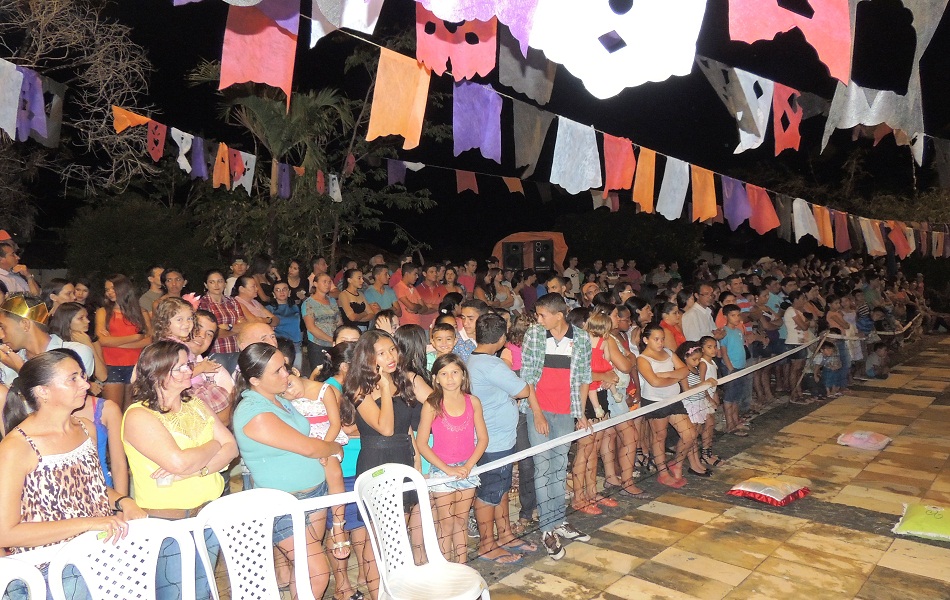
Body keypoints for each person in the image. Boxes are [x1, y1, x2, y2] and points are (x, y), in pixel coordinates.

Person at [0, 351, 146, 598]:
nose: (86, 385)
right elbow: (5, 532)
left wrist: (123, 501)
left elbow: (90, 489)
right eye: (73, 379)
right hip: (49, 570)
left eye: (82, 376)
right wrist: (89, 523)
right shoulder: (17, 448)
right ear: (43, 392)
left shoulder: (85, 429)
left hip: (97, 553)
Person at [122, 341, 238, 600]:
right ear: (158, 373)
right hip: (169, 522)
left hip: (207, 514)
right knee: (175, 594)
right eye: (182, 367)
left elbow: (231, 447)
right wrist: (213, 445)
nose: (190, 370)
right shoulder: (139, 416)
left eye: (188, 365)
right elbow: (179, 463)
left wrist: (198, 470)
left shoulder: (195, 403)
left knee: (203, 591)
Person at [233, 342, 342, 599]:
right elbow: (308, 448)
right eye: (277, 371)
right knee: (317, 573)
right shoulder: (255, 413)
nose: (287, 374)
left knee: (302, 574)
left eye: (284, 366)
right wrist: (334, 447)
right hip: (283, 503)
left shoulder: (279, 399)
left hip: (313, 494)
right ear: (255, 381)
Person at [342, 331, 429, 571]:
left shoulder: (401, 380)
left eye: (392, 350)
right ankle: (375, 585)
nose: (390, 357)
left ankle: (397, 578)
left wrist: (416, 461)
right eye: (381, 353)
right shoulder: (359, 389)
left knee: (399, 528)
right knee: (379, 533)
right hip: (377, 461)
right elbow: (386, 428)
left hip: (403, 457)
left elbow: (405, 426)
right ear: (368, 358)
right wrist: (384, 386)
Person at [520, 293, 592, 560]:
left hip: (565, 413)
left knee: (559, 468)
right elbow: (527, 377)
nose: (538, 320)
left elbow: (583, 377)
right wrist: (537, 414)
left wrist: (580, 414)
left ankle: (559, 520)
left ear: (559, 315)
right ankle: (547, 529)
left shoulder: (581, 338)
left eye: (542, 315)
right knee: (542, 468)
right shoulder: (534, 335)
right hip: (539, 410)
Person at [466, 313, 537, 563]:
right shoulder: (491, 365)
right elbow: (523, 390)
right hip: (492, 441)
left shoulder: (476, 360)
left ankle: (505, 535)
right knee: (489, 493)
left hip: (499, 438)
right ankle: (487, 544)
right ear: (501, 338)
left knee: (502, 489)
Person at [416, 354, 488, 563]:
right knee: (445, 523)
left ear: (463, 375)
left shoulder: (473, 402)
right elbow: (422, 443)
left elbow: (483, 439)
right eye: (444, 374)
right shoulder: (432, 404)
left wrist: (468, 466)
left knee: (461, 521)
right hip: (442, 472)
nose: (450, 378)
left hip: (467, 470)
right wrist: (447, 470)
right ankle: (443, 569)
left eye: (455, 372)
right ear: (436, 378)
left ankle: (462, 565)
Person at [283, 365, 351, 564]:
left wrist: (324, 447)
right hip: (301, 442)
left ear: (295, 372)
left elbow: (335, 423)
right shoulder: (283, 398)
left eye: (290, 384)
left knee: (334, 473)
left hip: (326, 437)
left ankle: (338, 525)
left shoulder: (325, 390)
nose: (291, 392)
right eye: (284, 391)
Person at [637, 324, 709, 489]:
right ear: (646, 340)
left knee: (690, 434)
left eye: (662, 339)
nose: (660, 342)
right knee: (659, 437)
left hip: (674, 399)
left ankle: (677, 463)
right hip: (655, 401)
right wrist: (675, 377)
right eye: (656, 339)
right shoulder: (642, 359)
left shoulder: (669, 352)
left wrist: (667, 375)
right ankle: (663, 472)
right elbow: (654, 382)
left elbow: (685, 371)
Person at [153, 298, 233, 424]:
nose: (186, 324)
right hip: (187, 392)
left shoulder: (179, 344)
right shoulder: (171, 347)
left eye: (189, 319)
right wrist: (201, 367)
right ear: (165, 322)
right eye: (180, 319)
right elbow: (174, 376)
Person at [0, 294, 96, 385]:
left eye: (3, 328)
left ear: (25, 324)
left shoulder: (76, 353)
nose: (1, 335)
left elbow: (63, 394)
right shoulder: (7, 363)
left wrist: (21, 369)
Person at [96, 275, 151, 409]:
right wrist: (135, 337)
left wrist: (114, 342)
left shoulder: (141, 312)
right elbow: (102, 340)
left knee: (131, 410)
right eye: (107, 289)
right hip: (111, 365)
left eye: (113, 288)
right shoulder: (103, 312)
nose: (109, 292)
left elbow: (150, 340)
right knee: (113, 410)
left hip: (136, 366)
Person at [676, 341, 721, 468]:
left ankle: (696, 461)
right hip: (691, 405)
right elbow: (686, 389)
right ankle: (686, 463)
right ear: (685, 357)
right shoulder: (684, 371)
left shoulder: (695, 369)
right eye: (694, 359)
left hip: (699, 403)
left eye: (699, 359)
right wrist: (703, 384)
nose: (697, 362)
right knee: (691, 436)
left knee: (695, 436)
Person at [47, 301, 108, 386]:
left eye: (86, 317)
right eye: (81, 318)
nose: (88, 321)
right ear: (67, 321)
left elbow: (103, 376)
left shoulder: (92, 340)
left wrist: (89, 345)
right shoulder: (54, 341)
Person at [197, 269, 245, 374]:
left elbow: (244, 325)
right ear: (206, 285)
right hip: (215, 351)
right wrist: (235, 328)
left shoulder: (232, 302)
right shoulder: (202, 303)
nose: (216, 285)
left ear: (225, 283)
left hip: (236, 349)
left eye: (220, 281)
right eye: (212, 282)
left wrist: (227, 327)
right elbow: (213, 333)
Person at [302, 273, 342, 374]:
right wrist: (331, 340)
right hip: (318, 345)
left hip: (334, 344)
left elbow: (339, 322)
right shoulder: (308, 303)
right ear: (315, 284)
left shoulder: (332, 301)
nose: (327, 284)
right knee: (319, 375)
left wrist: (340, 337)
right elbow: (311, 328)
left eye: (329, 282)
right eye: (324, 282)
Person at [720, 304, 752, 431]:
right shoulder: (724, 332)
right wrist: (730, 369)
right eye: (733, 315)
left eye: (738, 315)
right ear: (725, 317)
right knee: (729, 396)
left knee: (737, 396)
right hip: (731, 368)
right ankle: (729, 424)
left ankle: (735, 420)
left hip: (741, 367)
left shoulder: (739, 331)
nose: (737, 318)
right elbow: (724, 353)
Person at [270, 281, 303, 371]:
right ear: (273, 294)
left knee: (296, 372)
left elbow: (301, 326)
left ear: (289, 292)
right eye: (278, 290)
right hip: (279, 345)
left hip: (296, 344)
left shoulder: (296, 307)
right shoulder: (269, 308)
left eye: (284, 289)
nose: (281, 292)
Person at [416, 265, 447, 330]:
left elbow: (446, 305)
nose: (435, 274)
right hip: (424, 326)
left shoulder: (441, 287)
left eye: (435, 272)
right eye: (431, 272)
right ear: (424, 274)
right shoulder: (418, 289)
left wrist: (430, 306)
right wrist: (438, 308)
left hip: (440, 325)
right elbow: (420, 310)